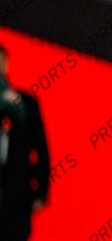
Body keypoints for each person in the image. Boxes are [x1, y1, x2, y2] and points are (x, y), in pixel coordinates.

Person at [0, 44, 49, 241]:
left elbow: (40, 148)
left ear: (6, 65)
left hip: (16, 197)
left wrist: (41, 192)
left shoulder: (26, 103)